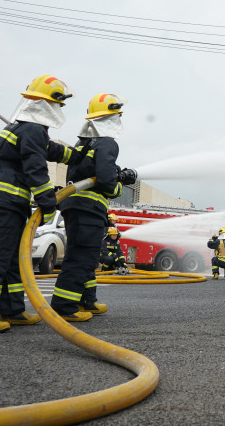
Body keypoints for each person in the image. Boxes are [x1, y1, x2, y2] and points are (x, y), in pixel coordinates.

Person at [0, 74, 84, 333]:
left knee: (12, 259)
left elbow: (47, 149)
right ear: (47, 105)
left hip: (6, 203)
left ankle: (12, 310)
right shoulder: (31, 129)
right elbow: (35, 166)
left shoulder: (23, 128)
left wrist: (74, 155)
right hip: (2, 202)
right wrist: (47, 201)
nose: (58, 111)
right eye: (58, 105)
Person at [51, 93, 136, 320]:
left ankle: (87, 300)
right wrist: (118, 185)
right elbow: (107, 181)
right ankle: (65, 306)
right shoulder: (107, 142)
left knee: (85, 255)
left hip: (74, 206)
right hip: (88, 209)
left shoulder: (84, 142)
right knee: (82, 256)